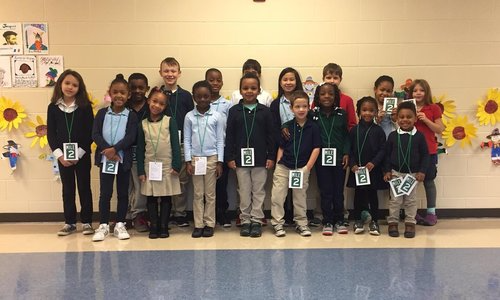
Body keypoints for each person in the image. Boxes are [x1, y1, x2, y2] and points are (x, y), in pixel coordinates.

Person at [225, 72, 276, 237]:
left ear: (259, 90)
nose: (249, 91)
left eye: (253, 88)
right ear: (240, 90)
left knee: (259, 190)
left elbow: (271, 136)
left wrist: (271, 157)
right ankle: (245, 219)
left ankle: (257, 220)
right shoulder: (234, 111)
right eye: (245, 88)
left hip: (261, 159)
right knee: (244, 190)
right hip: (240, 159)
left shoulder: (265, 111)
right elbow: (230, 136)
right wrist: (230, 157)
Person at [47, 70, 94, 236]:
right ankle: (70, 223)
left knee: (84, 187)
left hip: (82, 155)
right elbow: (51, 134)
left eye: (75, 85)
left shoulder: (85, 107)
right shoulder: (53, 107)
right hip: (63, 157)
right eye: (67, 83)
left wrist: (78, 155)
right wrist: (60, 155)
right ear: (60, 84)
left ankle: (87, 222)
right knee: (67, 189)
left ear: (79, 88)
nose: (70, 87)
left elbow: (90, 133)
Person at [91, 74, 138, 241]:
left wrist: (116, 149)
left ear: (128, 95)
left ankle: (120, 224)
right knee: (105, 193)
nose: (119, 95)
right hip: (106, 159)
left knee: (123, 193)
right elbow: (95, 133)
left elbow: (131, 137)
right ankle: (103, 225)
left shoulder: (131, 115)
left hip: (122, 160)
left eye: (123, 92)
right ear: (109, 93)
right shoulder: (102, 113)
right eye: (115, 92)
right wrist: (107, 150)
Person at [270, 90, 320, 237]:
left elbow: (316, 148)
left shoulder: (313, 127)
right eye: (297, 106)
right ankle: (278, 224)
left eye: (304, 106)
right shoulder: (286, 126)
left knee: (300, 198)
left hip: (302, 168)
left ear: (309, 107)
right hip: (284, 166)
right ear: (291, 108)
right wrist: (279, 163)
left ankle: (301, 223)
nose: (301, 109)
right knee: (277, 197)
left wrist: (307, 168)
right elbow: (281, 146)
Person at [137, 88, 182, 238]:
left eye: (161, 104)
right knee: (151, 196)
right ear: (149, 101)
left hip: (167, 166)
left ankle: (163, 225)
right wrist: (140, 171)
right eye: (154, 101)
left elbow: (176, 144)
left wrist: (177, 164)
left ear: (165, 107)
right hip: (150, 166)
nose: (157, 105)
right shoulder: (142, 124)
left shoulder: (170, 121)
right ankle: (154, 225)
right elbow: (140, 149)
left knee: (166, 196)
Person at [184, 80, 226, 238]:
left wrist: (219, 162)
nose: (202, 99)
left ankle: (209, 223)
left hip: (211, 158)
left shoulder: (217, 116)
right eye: (199, 96)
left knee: (210, 194)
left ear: (211, 97)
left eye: (206, 96)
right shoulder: (189, 116)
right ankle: (198, 224)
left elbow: (221, 140)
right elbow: (187, 140)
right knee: (197, 193)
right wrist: (188, 161)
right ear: (194, 97)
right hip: (196, 159)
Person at [383, 101, 430, 238]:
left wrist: (422, 171)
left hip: (413, 175)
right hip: (395, 174)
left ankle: (410, 223)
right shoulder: (392, 136)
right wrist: (386, 171)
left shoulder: (419, 136)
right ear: (397, 118)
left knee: (411, 200)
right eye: (401, 117)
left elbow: (426, 155)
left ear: (415, 118)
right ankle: (393, 223)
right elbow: (386, 155)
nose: (405, 120)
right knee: (395, 201)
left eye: (409, 117)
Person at [159, 57, 194, 227]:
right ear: (160, 73)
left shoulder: (186, 96)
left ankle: (180, 212)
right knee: (162, 178)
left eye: (173, 71)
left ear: (179, 73)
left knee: (181, 179)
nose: (170, 74)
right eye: (166, 71)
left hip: (180, 144)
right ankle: (163, 213)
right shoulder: (157, 95)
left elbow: (191, 120)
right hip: (161, 145)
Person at [311, 83, 350, 236]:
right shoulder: (313, 114)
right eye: (323, 94)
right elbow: (298, 122)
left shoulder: (342, 114)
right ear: (318, 97)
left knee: (338, 191)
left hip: (339, 158)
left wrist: (346, 153)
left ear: (336, 97)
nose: (327, 96)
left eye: (330, 94)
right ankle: (327, 220)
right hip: (321, 159)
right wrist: (285, 126)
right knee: (325, 190)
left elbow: (346, 135)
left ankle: (339, 219)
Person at [347, 96, 387, 236]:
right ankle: (358, 220)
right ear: (359, 112)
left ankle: (374, 221)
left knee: (372, 195)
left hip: (373, 170)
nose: (368, 113)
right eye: (364, 110)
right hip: (358, 170)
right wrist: (352, 164)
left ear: (376, 112)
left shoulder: (379, 131)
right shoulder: (353, 131)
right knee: (358, 195)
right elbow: (349, 149)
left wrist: (374, 162)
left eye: (371, 110)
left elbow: (383, 149)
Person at [270, 67, 304, 226]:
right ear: (280, 82)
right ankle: (281, 217)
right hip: (283, 147)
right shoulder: (276, 103)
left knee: (298, 187)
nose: (288, 82)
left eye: (292, 79)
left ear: (297, 82)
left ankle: (295, 216)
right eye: (285, 79)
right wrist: (281, 137)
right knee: (281, 186)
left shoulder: (304, 102)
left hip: (301, 149)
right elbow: (274, 126)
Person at [411, 79, 444, 226]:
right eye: (415, 90)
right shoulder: (407, 107)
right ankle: (411, 212)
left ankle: (431, 213)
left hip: (429, 151)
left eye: (421, 90)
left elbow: (440, 129)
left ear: (426, 92)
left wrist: (425, 120)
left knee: (429, 181)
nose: (418, 93)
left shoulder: (433, 108)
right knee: (411, 182)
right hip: (410, 151)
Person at [205, 68, 232, 227]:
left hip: (221, 150)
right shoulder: (200, 101)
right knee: (204, 187)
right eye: (211, 80)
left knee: (221, 185)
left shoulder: (227, 104)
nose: (215, 83)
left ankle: (222, 212)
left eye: (218, 80)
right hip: (203, 152)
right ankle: (207, 215)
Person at [126, 73, 150, 232]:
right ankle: (126, 215)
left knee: (141, 184)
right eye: (133, 87)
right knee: (125, 185)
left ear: (147, 89)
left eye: (141, 87)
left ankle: (139, 214)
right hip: (124, 150)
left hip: (144, 152)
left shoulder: (151, 106)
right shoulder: (122, 106)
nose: (137, 91)